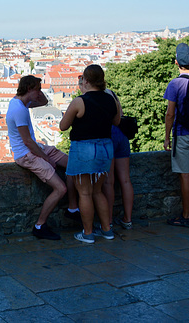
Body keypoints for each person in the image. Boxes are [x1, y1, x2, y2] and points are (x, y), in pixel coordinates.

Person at [6, 75, 72, 240]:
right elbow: (27, 141)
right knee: (61, 189)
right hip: (27, 155)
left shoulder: (22, 102)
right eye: (38, 90)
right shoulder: (19, 109)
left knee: (73, 165)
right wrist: (47, 159)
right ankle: (39, 225)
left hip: (37, 148)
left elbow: (43, 103)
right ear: (29, 89)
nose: (40, 93)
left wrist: (37, 88)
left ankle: (74, 208)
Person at [60, 65, 120, 244]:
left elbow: (63, 126)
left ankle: (88, 233)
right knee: (97, 191)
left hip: (84, 148)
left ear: (85, 80)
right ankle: (107, 230)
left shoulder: (80, 101)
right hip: (105, 148)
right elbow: (116, 122)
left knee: (84, 193)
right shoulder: (111, 100)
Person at [163, 43, 189, 228]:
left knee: (185, 176)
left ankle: (187, 215)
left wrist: (166, 136)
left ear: (176, 62)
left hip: (183, 134)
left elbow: (170, 114)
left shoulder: (175, 83)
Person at [103, 90, 135, 230]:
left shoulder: (98, 94)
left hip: (107, 134)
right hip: (122, 135)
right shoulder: (111, 93)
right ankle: (127, 219)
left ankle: (108, 221)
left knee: (108, 182)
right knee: (126, 180)